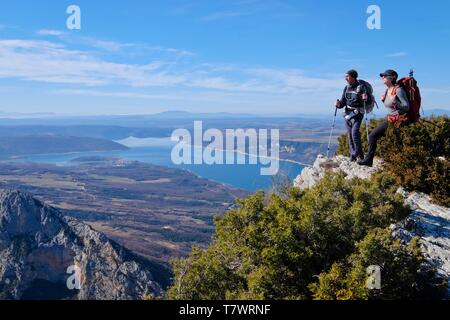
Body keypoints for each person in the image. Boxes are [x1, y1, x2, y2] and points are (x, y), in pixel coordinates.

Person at [358, 69, 410, 167]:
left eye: (385, 76)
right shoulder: (387, 90)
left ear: (391, 78)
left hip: (398, 119)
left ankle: (369, 160)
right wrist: (384, 100)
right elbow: (391, 106)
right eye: (382, 76)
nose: (383, 78)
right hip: (391, 117)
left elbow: (406, 107)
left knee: (372, 136)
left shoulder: (399, 90)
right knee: (388, 139)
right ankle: (395, 161)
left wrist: (396, 102)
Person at [336, 70, 369, 162]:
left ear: (353, 77)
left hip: (358, 113)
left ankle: (354, 154)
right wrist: (339, 105)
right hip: (347, 114)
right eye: (345, 76)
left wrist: (365, 99)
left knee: (354, 133)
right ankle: (359, 155)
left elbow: (365, 100)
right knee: (350, 135)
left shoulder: (361, 87)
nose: (346, 78)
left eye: (348, 76)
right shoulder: (346, 88)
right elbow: (343, 102)